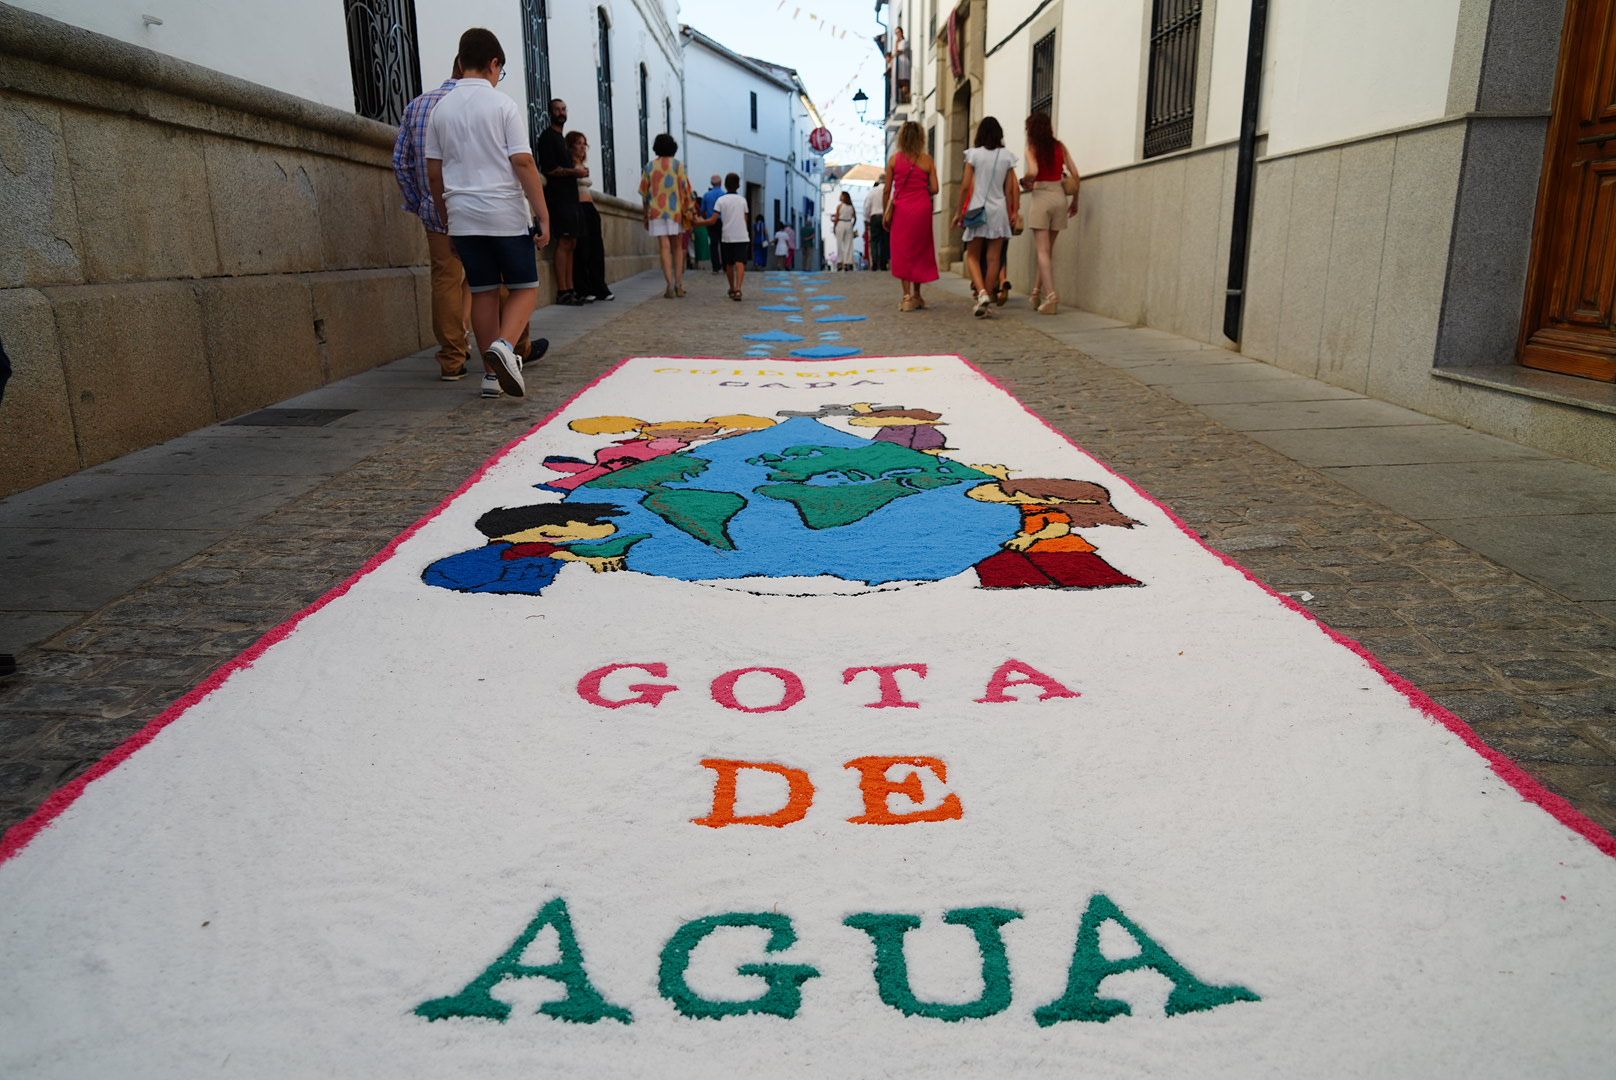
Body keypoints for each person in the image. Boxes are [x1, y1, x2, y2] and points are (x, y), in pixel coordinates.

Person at [426, 28, 550, 400]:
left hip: (462, 215)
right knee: (525, 288)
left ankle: (491, 376)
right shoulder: (502, 106)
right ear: (494, 63)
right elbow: (524, 163)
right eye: (501, 70)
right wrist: (543, 214)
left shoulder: (441, 109)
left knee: (481, 292)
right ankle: (505, 348)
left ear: (461, 62)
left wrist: (447, 220)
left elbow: (434, 172)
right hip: (502, 211)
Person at [954, 116, 1020, 319]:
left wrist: (959, 211)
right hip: (999, 209)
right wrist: (1013, 211)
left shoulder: (974, 155)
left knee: (973, 256)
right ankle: (988, 297)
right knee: (994, 258)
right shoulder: (1007, 156)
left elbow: (965, 186)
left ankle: (981, 292)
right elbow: (1010, 190)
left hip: (978, 208)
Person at [1021, 110, 1081, 314]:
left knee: (1042, 251)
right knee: (1047, 251)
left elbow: (1034, 171)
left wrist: (1026, 179)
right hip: (1060, 197)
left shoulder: (1032, 147)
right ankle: (1036, 293)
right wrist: (1075, 202)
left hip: (1042, 196)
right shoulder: (1060, 147)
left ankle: (1052, 297)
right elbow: (1076, 174)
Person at [884, 119, 939, 312]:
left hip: (902, 210)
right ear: (921, 138)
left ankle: (906, 296)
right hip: (922, 209)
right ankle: (917, 294)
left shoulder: (894, 160)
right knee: (920, 250)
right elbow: (935, 188)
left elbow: (887, 189)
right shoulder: (927, 161)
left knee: (903, 250)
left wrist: (885, 212)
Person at [537, 99, 586, 306]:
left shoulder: (562, 140)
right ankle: (562, 291)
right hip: (558, 199)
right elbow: (549, 169)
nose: (561, 112)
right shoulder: (548, 137)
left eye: (564, 109)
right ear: (550, 112)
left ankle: (571, 287)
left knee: (572, 243)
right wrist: (574, 172)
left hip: (571, 198)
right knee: (564, 242)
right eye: (557, 109)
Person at [639, 132, 694, 299]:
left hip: (656, 211)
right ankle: (679, 284)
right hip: (675, 210)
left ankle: (668, 285)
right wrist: (689, 209)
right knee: (677, 247)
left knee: (664, 247)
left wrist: (645, 214)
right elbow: (686, 190)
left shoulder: (649, 167)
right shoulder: (678, 166)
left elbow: (644, 192)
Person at [567, 131, 613, 303]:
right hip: (578, 207)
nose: (582, 147)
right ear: (571, 145)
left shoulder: (581, 164)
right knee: (582, 249)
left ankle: (599, 286)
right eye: (578, 143)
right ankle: (583, 288)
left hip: (589, 207)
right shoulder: (570, 165)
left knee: (596, 249)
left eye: (584, 143)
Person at [698, 172, 753, 300]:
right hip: (741, 235)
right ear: (738, 185)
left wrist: (698, 223)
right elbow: (746, 219)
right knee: (740, 262)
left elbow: (713, 220)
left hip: (727, 235)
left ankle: (732, 288)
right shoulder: (743, 200)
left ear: (726, 185)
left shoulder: (721, 200)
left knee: (729, 263)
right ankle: (739, 289)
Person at [700, 174, 726, 273]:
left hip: (710, 221)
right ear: (721, 183)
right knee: (723, 244)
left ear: (711, 183)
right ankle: (725, 266)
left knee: (713, 244)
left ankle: (715, 267)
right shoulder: (724, 195)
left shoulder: (706, 195)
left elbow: (702, 210)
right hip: (721, 221)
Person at [863, 173, 888, 271]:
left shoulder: (872, 191)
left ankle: (874, 263)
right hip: (885, 216)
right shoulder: (888, 190)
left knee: (874, 241)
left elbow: (867, 206)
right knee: (884, 241)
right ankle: (883, 263)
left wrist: (867, 219)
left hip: (874, 217)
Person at [832, 191, 857, 272]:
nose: (840, 197)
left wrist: (834, 226)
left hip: (840, 223)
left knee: (839, 244)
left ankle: (840, 262)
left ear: (844, 197)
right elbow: (855, 217)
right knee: (848, 244)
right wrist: (852, 225)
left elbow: (836, 217)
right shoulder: (851, 207)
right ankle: (848, 262)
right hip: (849, 223)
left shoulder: (839, 206)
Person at [889, 27, 911, 105]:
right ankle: (900, 99)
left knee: (904, 81)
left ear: (901, 32)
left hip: (903, 64)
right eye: (896, 33)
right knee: (898, 83)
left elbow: (899, 51)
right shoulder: (896, 43)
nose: (897, 34)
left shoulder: (905, 41)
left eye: (898, 32)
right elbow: (893, 54)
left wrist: (896, 47)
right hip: (897, 66)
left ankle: (905, 98)